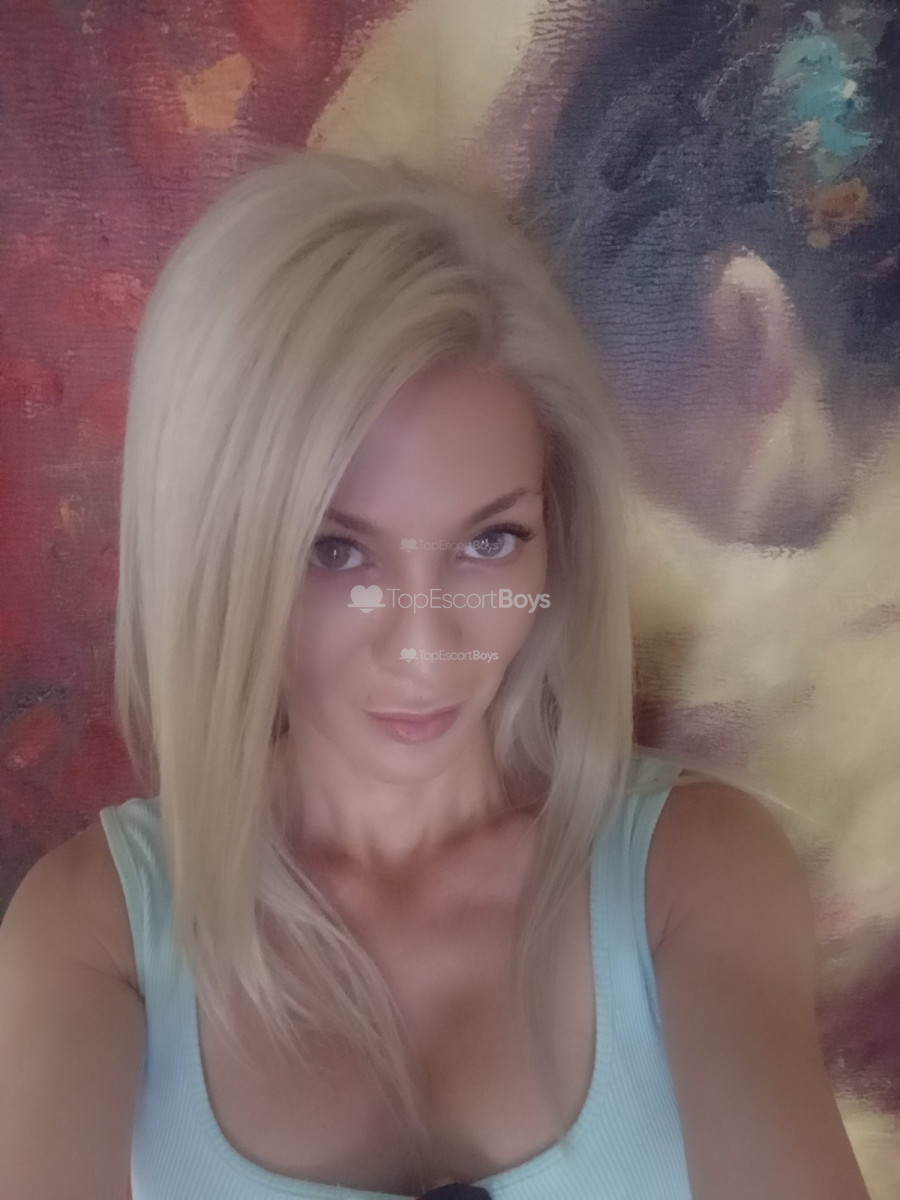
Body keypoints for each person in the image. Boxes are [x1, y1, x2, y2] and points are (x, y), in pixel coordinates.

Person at [0, 150, 870, 1199]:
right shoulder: (95, 935)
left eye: (489, 542)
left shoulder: (692, 877)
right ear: (216, 553)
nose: (424, 646)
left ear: (558, 536)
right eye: (335, 550)